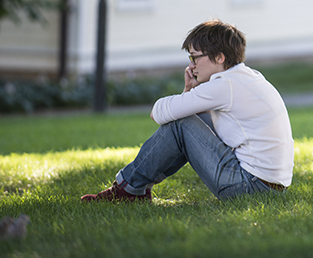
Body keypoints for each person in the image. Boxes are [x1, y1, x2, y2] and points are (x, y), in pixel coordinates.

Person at [81, 20, 294, 202]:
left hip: (249, 186)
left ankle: (127, 189)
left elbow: (158, 113)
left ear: (219, 57)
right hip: (270, 189)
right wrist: (190, 92)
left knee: (181, 123)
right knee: (191, 119)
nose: (192, 65)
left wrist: (188, 93)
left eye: (195, 57)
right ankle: (136, 187)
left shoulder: (224, 84)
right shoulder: (246, 77)